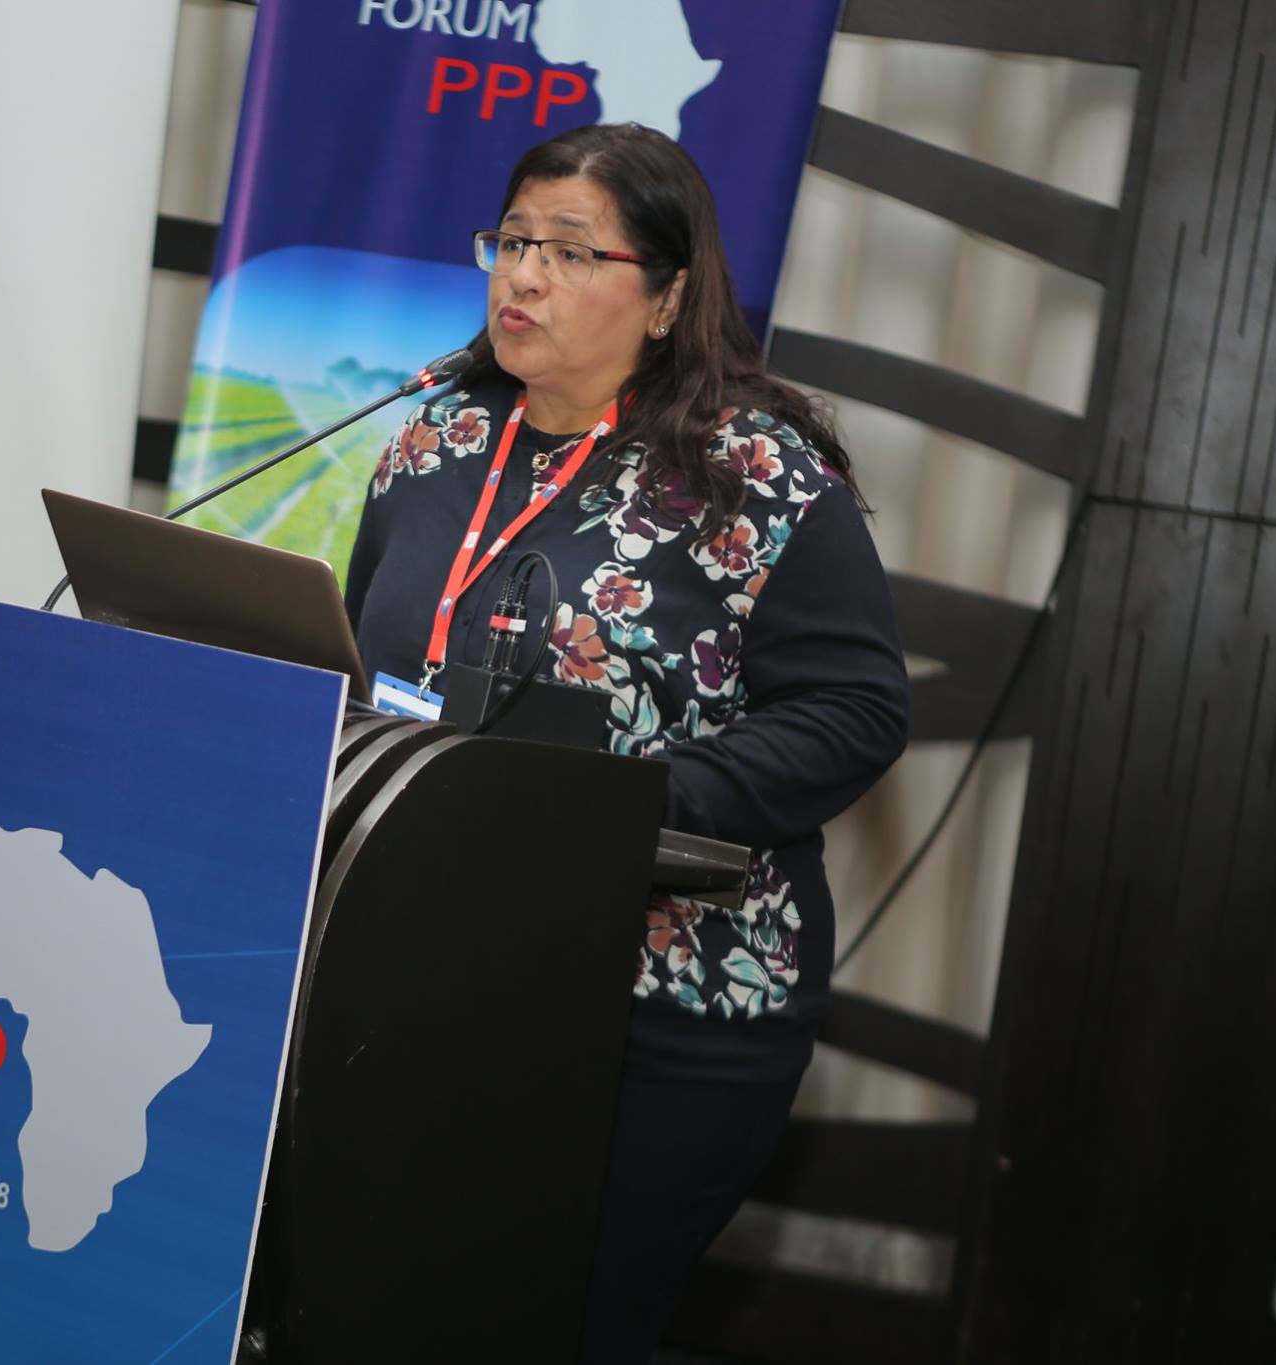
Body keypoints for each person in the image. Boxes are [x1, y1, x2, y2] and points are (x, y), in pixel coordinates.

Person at [343, 123, 912, 1364]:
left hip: (659, 1004)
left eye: (568, 251)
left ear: (664, 297)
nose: (522, 276)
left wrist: (626, 805)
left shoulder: (752, 473)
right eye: (510, 241)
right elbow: (364, 661)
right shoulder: (433, 439)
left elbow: (856, 711)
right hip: (425, 964)